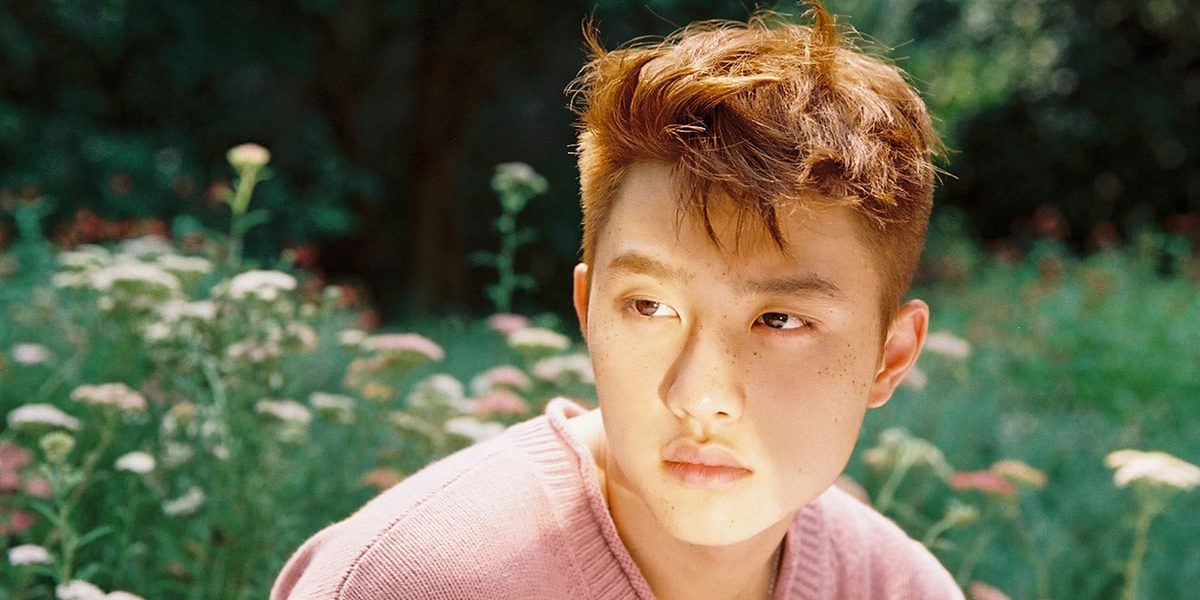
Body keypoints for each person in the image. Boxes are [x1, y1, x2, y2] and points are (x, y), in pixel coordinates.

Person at [272, 2, 962, 598]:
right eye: (649, 307)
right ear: (587, 308)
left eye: (779, 320)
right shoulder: (401, 583)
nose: (698, 397)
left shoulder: (900, 587)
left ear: (890, 356)